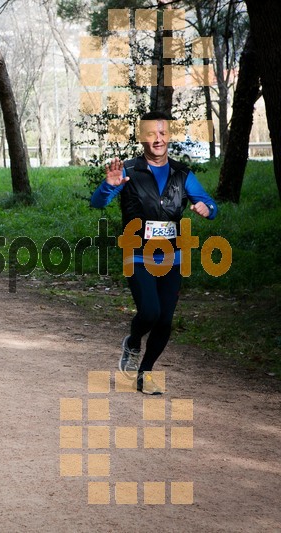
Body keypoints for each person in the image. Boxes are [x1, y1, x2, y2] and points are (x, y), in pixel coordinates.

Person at [90, 111, 218, 395]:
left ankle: (144, 373)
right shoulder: (128, 170)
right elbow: (98, 203)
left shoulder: (183, 174)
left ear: (169, 136)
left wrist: (207, 209)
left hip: (172, 257)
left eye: (163, 133)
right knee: (149, 312)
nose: (158, 139)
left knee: (165, 321)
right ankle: (133, 342)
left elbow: (211, 206)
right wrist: (107, 186)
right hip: (136, 253)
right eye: (151, 133)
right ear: (142, 137)